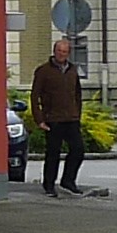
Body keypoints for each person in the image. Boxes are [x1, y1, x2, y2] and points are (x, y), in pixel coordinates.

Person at [32, 33, 88, 196]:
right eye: (59, 51)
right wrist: (39, 119)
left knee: (78, 150)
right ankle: (49, 185)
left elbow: (77, 94)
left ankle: (68, 180)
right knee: (53, 154)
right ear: (54, 51)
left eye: (64, 52)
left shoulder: (72, 70)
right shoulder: (43, 71)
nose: (61, 54)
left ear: (68, 53)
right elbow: (35, 96)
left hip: (71, 118)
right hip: (53, 119)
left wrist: (77, 113)